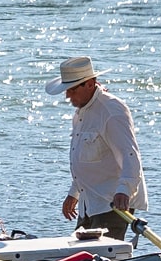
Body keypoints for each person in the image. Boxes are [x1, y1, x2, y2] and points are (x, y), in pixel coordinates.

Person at [46, 56, 148, 240]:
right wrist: (74, 193)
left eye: (71, 89)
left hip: (112, 204)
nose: (67, 95)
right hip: (89, 203)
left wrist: (124, 190)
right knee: (80, 258)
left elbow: (130, 154)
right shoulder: (81, 113)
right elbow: (87, 158)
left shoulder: (112, 111)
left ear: (90, 84)